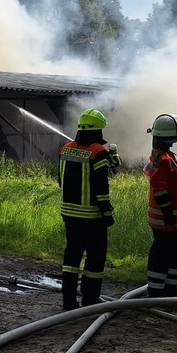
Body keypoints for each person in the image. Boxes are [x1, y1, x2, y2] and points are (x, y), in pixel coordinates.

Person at [58, 108, 115, 311]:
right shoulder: (98, 153)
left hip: (69, 215)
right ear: (98, 131)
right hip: (92, 217)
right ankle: (90, 298)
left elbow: (60, 180)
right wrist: (107, 212)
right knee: (95, 257)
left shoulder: (65, 149)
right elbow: (101, 188)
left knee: (71, 258)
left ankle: (68, 301)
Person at [142, 114, 177, 298]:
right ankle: (156, 290)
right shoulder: (165, 160)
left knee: (174, 251)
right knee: (163, 252)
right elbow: (160, 190)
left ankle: (169, 289)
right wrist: (168, 213)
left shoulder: (161, 157)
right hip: (164, 217)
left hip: (168, 216)